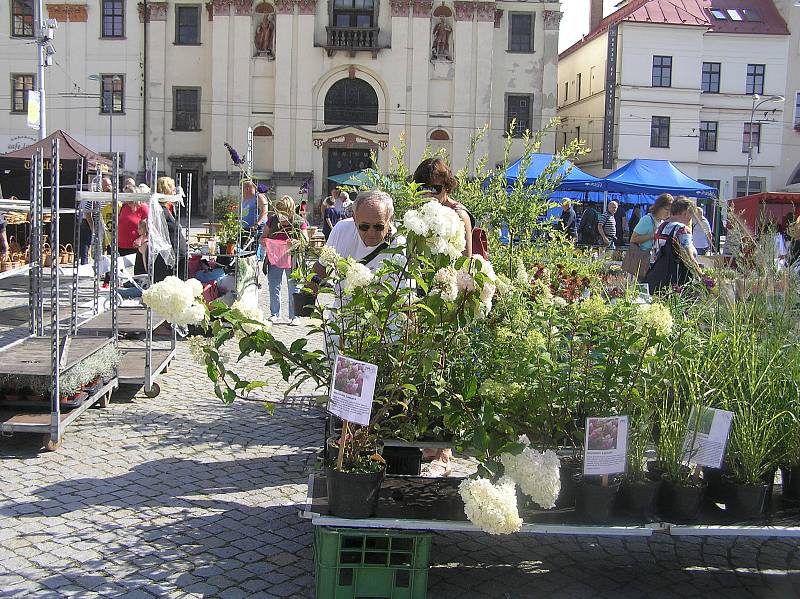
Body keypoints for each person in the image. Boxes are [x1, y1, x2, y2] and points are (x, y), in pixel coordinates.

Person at [412, 157, 473, 257]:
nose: (428, 195)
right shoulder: (421, 211)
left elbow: (466, 261)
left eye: (435, 189)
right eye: (423, 188)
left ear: (447, 187)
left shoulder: (459, 214)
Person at [261, 195, 308, 325]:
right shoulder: (272, 221)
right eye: (280, 211)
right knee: (274, 286)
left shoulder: (299, 221)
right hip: (274, 258)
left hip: (292, 259)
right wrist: (267, 242)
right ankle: (274, 314)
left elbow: (305, 241)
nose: (282, 214)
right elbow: (263, 238)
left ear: (291, 210)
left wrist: (296, 242)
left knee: (294, 287)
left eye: (284, 211)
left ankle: (295, 316)